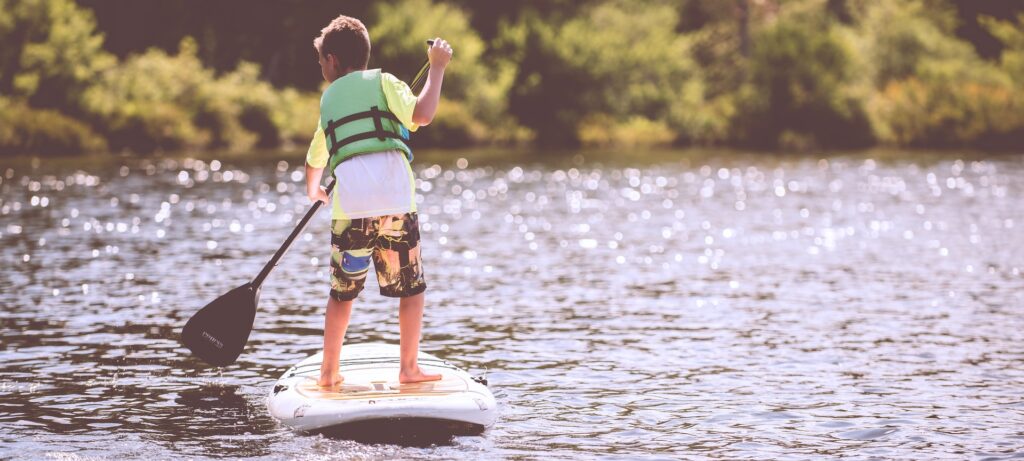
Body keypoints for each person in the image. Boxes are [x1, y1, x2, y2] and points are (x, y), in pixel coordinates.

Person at [304, 14, 452, 387]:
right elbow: (423, 113)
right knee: (411, 289)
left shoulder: (328, 100)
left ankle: (328, 373)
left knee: (342, 295)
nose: (321, 66)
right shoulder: (385, 82)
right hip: (396, 205)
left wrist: (314, 190)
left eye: (321, 59)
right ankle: (409, 369)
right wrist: (436, 70)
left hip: (351, 210)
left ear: (333, 60)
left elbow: (315, 159)